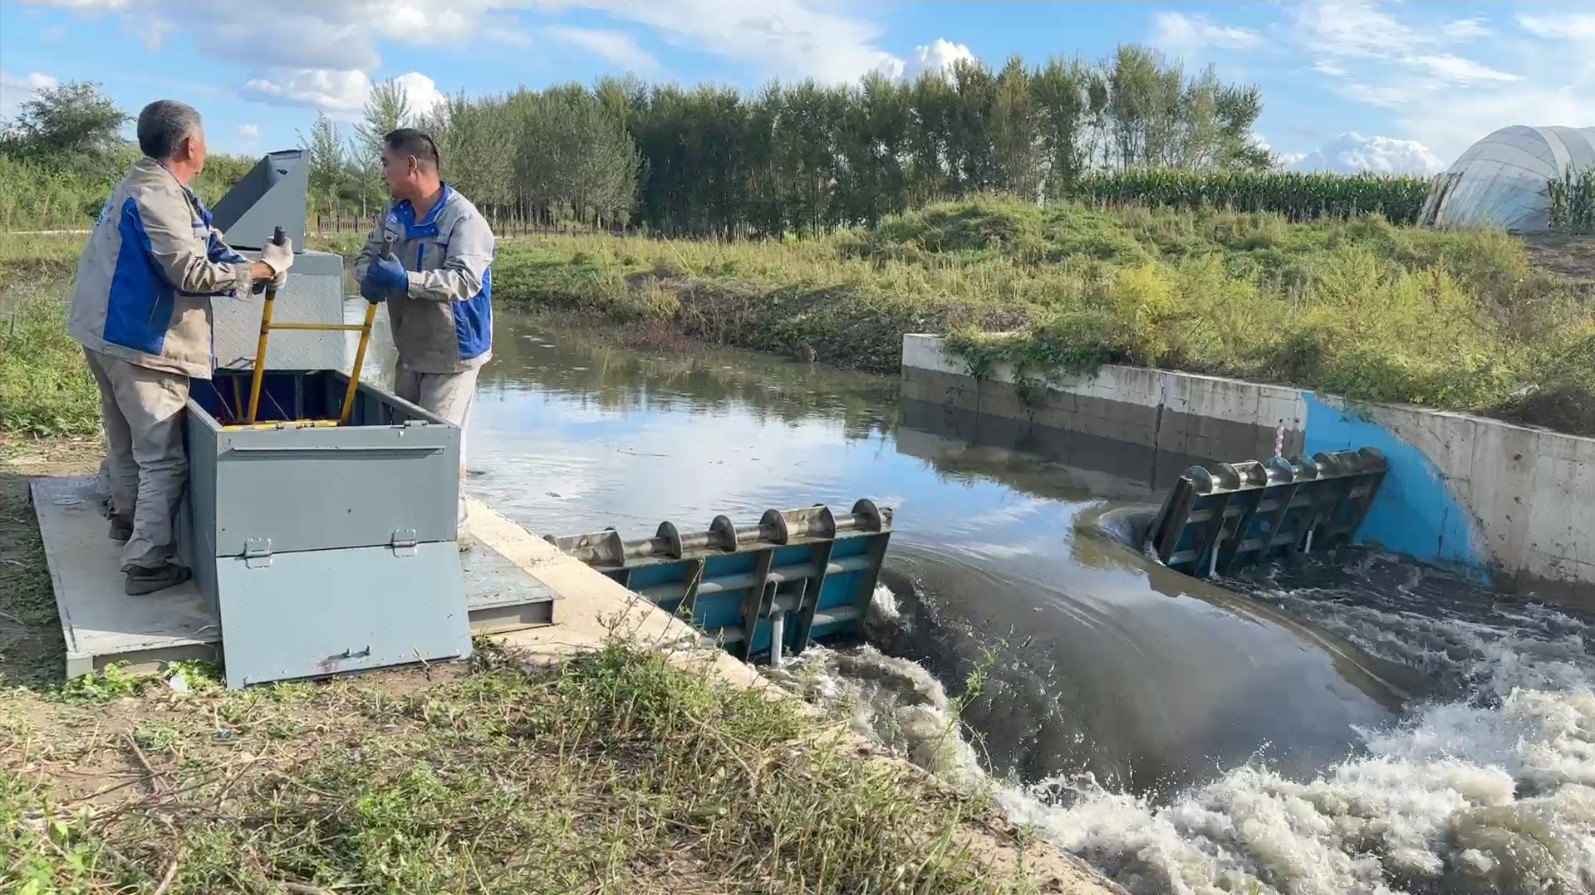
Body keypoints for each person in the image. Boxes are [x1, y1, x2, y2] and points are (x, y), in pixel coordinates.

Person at [68, 99, 294, 595]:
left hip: (106, 334)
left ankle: (126, 521)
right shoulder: (159, 197)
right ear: (191, 144)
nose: (207, 147)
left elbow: (204, 240)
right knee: (162, 458)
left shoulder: (151, 186)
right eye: (205, 139)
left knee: (127, 442)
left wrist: (242, 264)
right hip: (140, 342)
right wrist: (264, 270)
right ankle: (147, 562)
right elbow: (189, 273)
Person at [351, 128, 494, 549]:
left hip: (454, 351)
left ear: (411, 165)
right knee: (406, 435)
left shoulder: (464, 220)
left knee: (439, 443)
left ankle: (452, 535)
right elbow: (364, 256)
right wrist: (368, 278)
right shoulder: (395, 215)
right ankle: (409, 521)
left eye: (386, 163)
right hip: (411, 346)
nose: (383, 172)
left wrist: (406, 280)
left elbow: (465, 280)